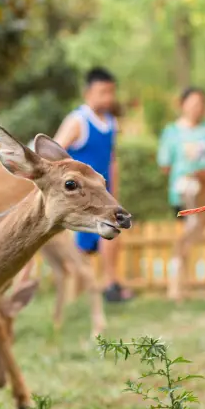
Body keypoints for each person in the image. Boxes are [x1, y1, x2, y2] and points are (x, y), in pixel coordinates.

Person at [54, 67, 132, 302]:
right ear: (88, 92)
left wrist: (114, 193)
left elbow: (112, 160)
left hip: (102, 194)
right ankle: (84, 291)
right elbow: (54, 153)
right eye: (102, 92)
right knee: (84, 245)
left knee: (109, 235)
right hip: (80, 195)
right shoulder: (78, 121)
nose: (108, 97)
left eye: (111, 92)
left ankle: (110, 285)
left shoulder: (110, 122)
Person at [157, 87, 205, 214]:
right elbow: (165, 166)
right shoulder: (171, 132)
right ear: (182, 105)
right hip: (181, 193)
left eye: (201, 104)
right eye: (193, 104)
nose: (197, 108)